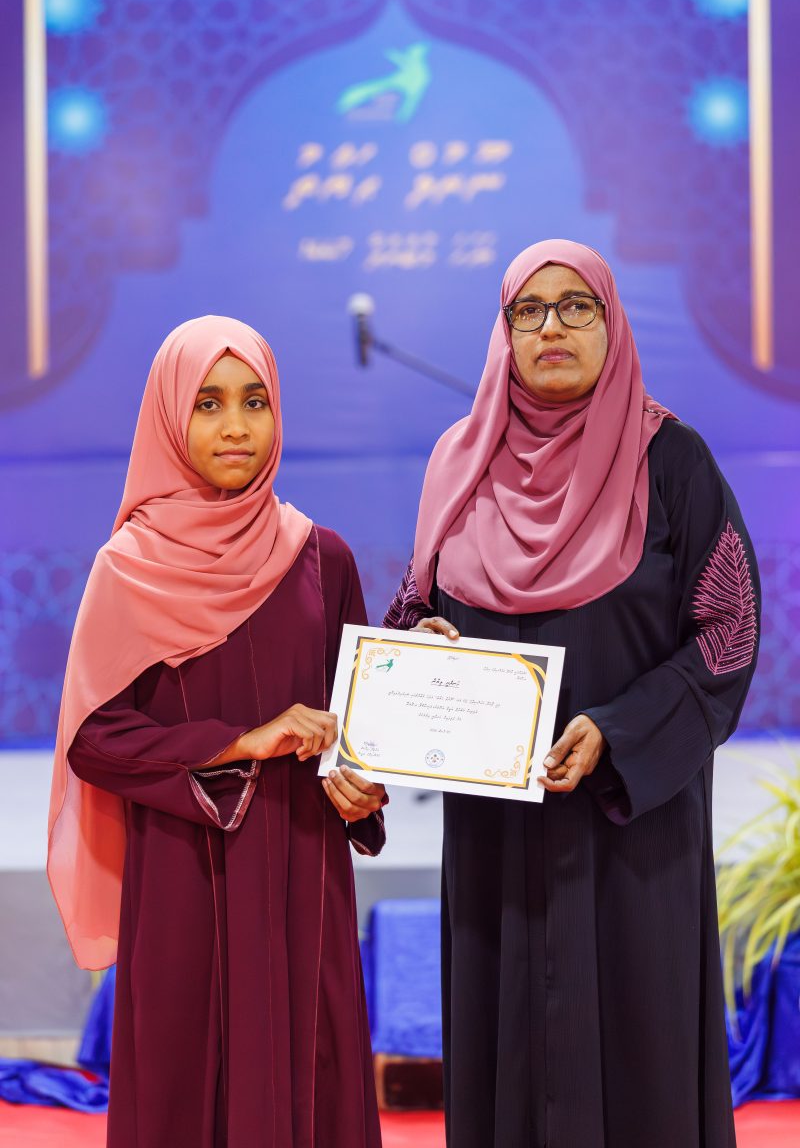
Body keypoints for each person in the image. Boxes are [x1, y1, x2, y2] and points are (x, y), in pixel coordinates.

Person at [384, 240, 759, 1148]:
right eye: (529, 310)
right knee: (506, 1051)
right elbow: (412, 611)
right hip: (496, 840)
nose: (552, 327)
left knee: (641, 1052)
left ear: (611, 322)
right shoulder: (458, 464)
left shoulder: (672, 461)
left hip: (632, 830)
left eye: (576, 306)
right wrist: (419, 648)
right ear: (504, 331)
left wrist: (620, 731)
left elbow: (730, 628)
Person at [47, 316, 386, 1148]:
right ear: (171, 417)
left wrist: (365, 783)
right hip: (182, 877)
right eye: (208, 403)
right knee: (186, 1076)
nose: (235, 425)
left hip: (302, 872)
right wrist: (239, 741)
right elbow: (94, 737)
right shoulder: (129, 567)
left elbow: (360, 728)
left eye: (254, 401)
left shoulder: (323, 559)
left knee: (309, 1067)